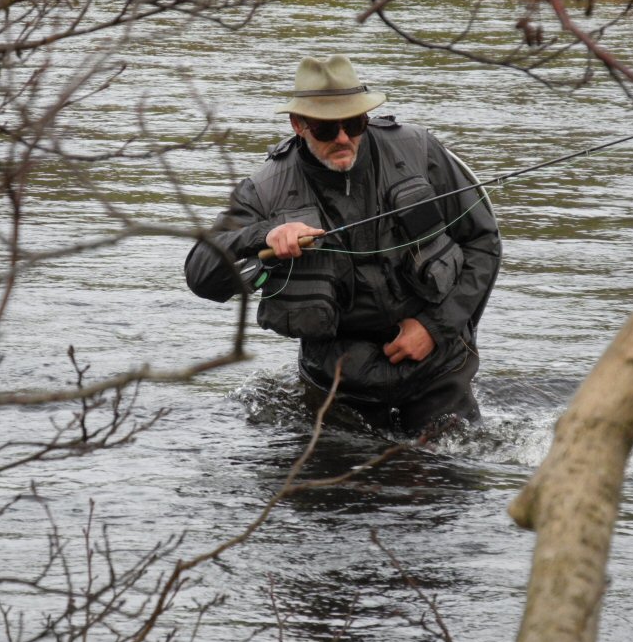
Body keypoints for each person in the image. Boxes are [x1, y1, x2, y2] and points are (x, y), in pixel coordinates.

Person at [184, 55, 500, 434]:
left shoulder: (419, 151)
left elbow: (483, 242)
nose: (343, 139)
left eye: (354, 123)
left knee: (443, 481)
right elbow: (202, 276)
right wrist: (263, 235)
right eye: (326, 129)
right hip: (339, 384)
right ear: (298, 125)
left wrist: (435, 327)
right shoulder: (265, 188)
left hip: (436, 364)